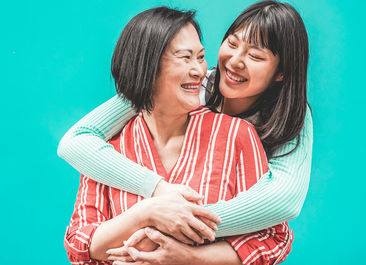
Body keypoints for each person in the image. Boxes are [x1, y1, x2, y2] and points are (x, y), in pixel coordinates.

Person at [59, 0, 312, 240]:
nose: (235, 62)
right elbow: (76, 141)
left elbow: (284, 201)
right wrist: (156, 189)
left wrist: (183, 225)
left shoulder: (290, 115)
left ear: (281, 73)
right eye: (232, 44)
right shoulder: (190, 84)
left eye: (255, 57)